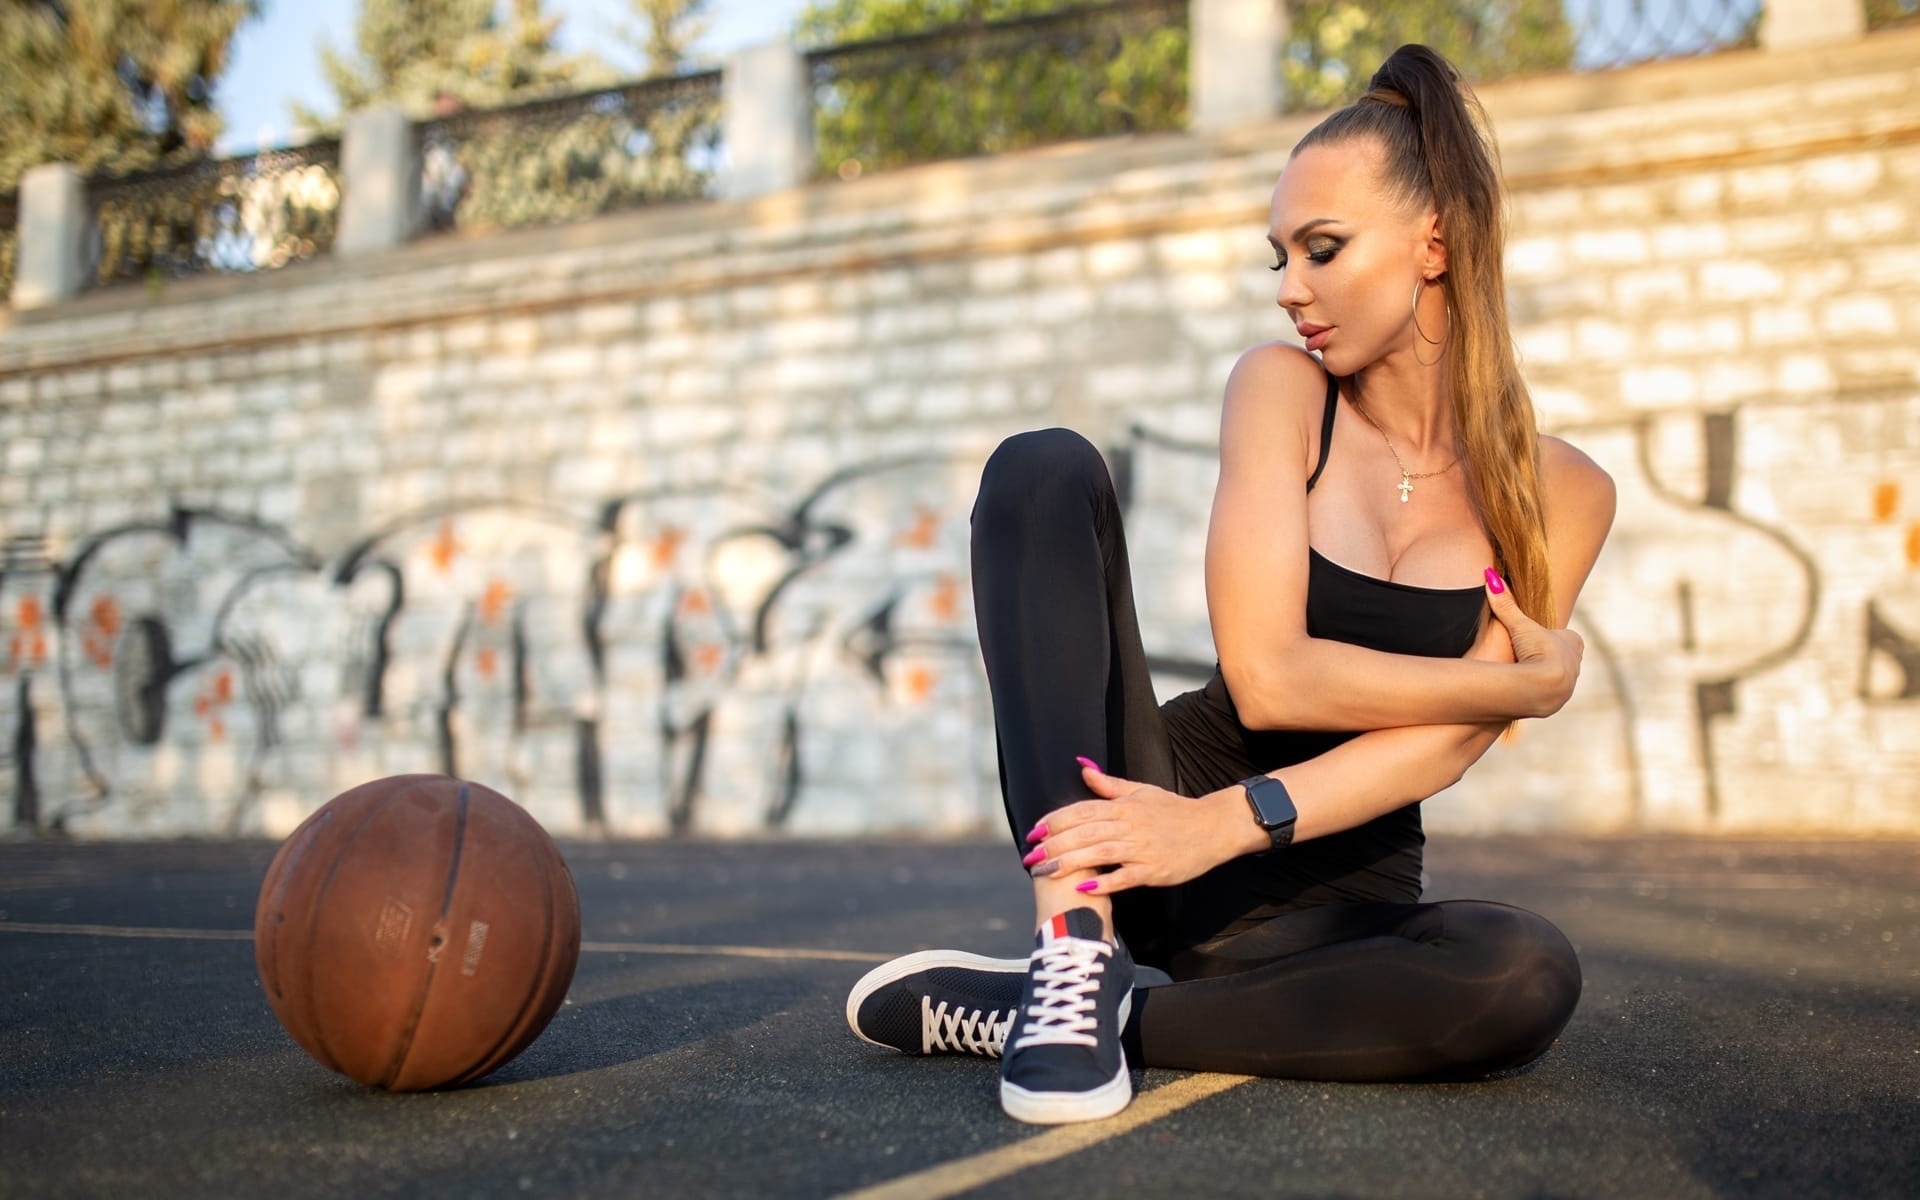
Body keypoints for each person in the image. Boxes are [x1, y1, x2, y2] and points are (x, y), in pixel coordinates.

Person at [846, 43, 1616, 1126]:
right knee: (1042, 467)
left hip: (1330, 902)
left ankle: (1078, 1017)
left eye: (1324, 250)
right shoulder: (1282, 391)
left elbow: (1438, 748)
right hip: (1148, 817)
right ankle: (1073, 951)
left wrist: (1235, 826)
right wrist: (1523, 689)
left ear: (1433, 244)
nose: (1292, 290)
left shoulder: (1565, 491)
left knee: (1523, 972)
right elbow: (1268, 678)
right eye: (1281, 258)